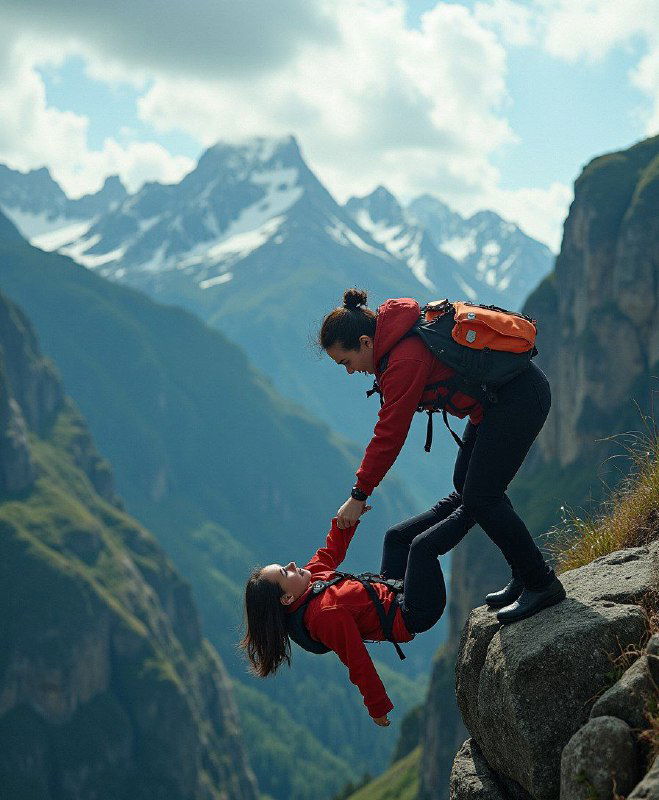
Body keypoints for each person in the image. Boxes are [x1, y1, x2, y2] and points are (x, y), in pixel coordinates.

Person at [318, 288, 565, 624]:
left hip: (517, 400)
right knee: (468, 487)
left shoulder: (404, 358)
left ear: (364, 342)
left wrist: (358, 495)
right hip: (500, 402)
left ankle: (541, 582)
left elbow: (389, 435)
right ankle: (525, 575)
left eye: (346, 362)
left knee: (481, 496)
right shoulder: (398, 334)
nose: (349, 371)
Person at [240, 512, 449, 726]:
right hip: (413, 612)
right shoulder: (324, 616)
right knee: (422, 547)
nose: (293, 564)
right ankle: (473, 506)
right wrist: (377, 706)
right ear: (287, 598)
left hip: (393, 590)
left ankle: (459, 498)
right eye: (286, 572)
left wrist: (347, 518)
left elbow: (332, 550)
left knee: (395, 536)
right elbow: (357, 660)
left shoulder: (310, 581)